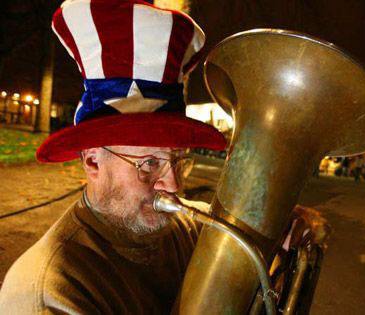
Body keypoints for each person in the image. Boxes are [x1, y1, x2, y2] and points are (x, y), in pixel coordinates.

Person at [0, 1, 317, 313]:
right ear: (93, 161)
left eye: (178, 160)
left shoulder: (187, 227)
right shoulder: (49, 294)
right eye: (149, 163)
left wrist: (281, 230)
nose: (174, 185)